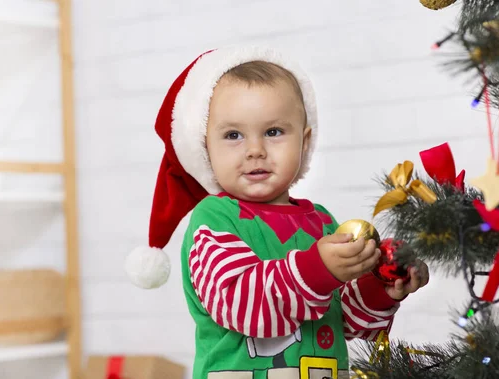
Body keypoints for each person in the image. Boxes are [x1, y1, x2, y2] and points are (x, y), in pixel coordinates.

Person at [125, 46, 430, 379]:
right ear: (205, 148)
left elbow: (341, 319)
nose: (255, 150)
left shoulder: (322, 222)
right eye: (233, 135)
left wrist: (379, 286)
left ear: (304, 141)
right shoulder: (212, 221)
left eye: (273, 132)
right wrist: (319, 269)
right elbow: (242, 304)